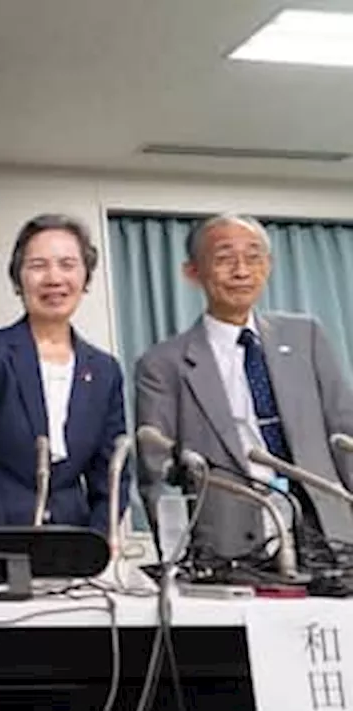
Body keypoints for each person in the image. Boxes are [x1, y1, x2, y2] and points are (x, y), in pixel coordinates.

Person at [134, 214, 353, 562]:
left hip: (326, 536)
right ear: (192, 272)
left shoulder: (305, 337)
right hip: (227, 547)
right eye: (224, 259)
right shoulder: (164, 364)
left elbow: (345, 437)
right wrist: (177, 557)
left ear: (268, 266)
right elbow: (156, 473)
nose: (241, 271)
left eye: (254, 258)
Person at [0, 214, 128, 533]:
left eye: (68, 265)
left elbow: (111, 474)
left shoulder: (104, 369)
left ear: (86, 278)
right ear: (18, 279)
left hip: (71, 540)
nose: (54, 278)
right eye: (38, 265)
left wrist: (94, 543)